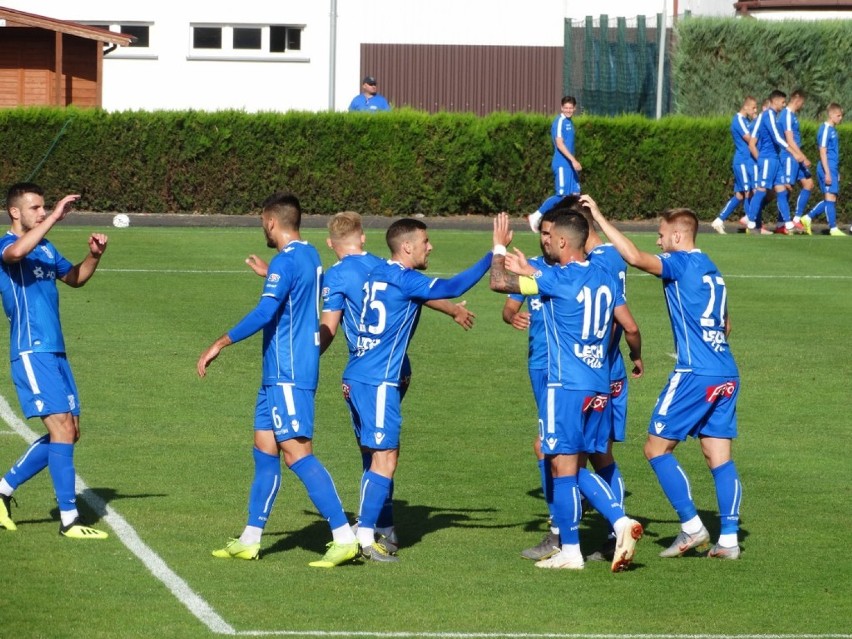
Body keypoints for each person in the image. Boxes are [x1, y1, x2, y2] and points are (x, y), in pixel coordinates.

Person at [197, 192, 358, 568]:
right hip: (279, 372)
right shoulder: (309, 254)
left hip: (288, 372)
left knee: (297, 453)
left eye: (262, 223)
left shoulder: (286, 262)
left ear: (271, 221)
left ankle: (343, 535)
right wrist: (270, 272)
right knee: (264, 450)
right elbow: (297, 293)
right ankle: (251, 538)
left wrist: (221, 342)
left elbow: (266, 310)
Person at [588, 206, 743, 560]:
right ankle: (729, 541)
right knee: (718, 456)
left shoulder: (682, 263)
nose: (657, 240)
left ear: (677, 236)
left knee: (656, 449)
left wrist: (598, 216)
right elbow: (727, 326)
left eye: (660, 234)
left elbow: (633, 257)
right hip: (726, 371)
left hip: (695, 373)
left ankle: (692, 527)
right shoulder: (711, 270)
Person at [490, 212, 643, 572]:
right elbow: (631, 325)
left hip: (565, 385)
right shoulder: (606, 276)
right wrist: (636, 356)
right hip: (599, 383)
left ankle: (617, 522)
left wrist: (499, 247)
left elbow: (499, 282)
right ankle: (571, 551)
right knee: (576, 459)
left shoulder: (556, 279)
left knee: (560, 461)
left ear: (561, 241)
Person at [343, 216, 497, 562]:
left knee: (374, 457)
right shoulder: (406, 278)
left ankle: (371, 528)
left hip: (356, 375)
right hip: (380, 380)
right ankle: (365, 537)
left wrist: (452, 312)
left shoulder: (379, 273)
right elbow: (454, 286)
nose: (431, 246)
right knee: (386, 458)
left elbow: (422, 296)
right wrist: (493, 253)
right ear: (407, 246)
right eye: (426, 241)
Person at [0, 182, 109, 539]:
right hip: (31, 350)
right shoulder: (6, 245)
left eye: (45, 207)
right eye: (36, 208)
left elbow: (74, 278)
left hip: (57, 350)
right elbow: (16, 253)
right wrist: (57, 217)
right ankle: (69, 520)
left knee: (70, 432)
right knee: (60, 429)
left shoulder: (45, 248)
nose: (43, 213)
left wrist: (93, 256)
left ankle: (2, 491)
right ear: (15, 212)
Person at [528, 96, 582, 232]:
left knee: (574, 195)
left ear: (574, 108)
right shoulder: (559, 121)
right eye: (566, 108)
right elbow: (559, 143)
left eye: (571, 108)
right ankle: (536, 215)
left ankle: (566, 223)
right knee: (562, 195)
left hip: (569, 166)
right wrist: (573, 160)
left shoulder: (570, 122)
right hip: (562, 164)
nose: (568, 110)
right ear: (561, 108)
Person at [747, 90, 794, 234]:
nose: (784, 105)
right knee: (761, 190)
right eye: (783, 102)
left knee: (781, 191)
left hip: (775, 159)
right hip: (768, 160)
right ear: (775, 101)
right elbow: (777, 138)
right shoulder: (768, 115)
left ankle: (788, 222)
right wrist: (794, 152)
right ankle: (751, 219)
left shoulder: (770, 117)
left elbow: (753, 138)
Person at [711, 96, 758, 234]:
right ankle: (752, 223)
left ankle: (719, 220)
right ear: (746, 107)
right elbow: (750, 139)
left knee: (740, 195)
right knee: (748, 191)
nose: (755, 110)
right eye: (754, 107)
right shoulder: (738, 120)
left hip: (745, 160)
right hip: (742, 161)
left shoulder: (745, 120)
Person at [801, 103, 845, 236]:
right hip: (827, 167)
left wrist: (835, 172)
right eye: (838, 115)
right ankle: (833, 228)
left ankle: (807, 218)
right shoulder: (825, 129)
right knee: (830, 197)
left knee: (832, 198)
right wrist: (827, 172)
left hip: (832, 167)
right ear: (831, 115)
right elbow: (823, 151)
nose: (841, 118)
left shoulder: (833, 130)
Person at [778, 90, 812, 232]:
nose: (802, 106)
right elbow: (789, 139)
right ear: (797, 100)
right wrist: (802, 156)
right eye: (802, 103)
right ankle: (782, 224)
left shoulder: (793, 116)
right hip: (789, 156)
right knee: (786, 188)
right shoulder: (786, 115)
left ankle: (796, 219)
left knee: (808, 184)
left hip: (796, 156)